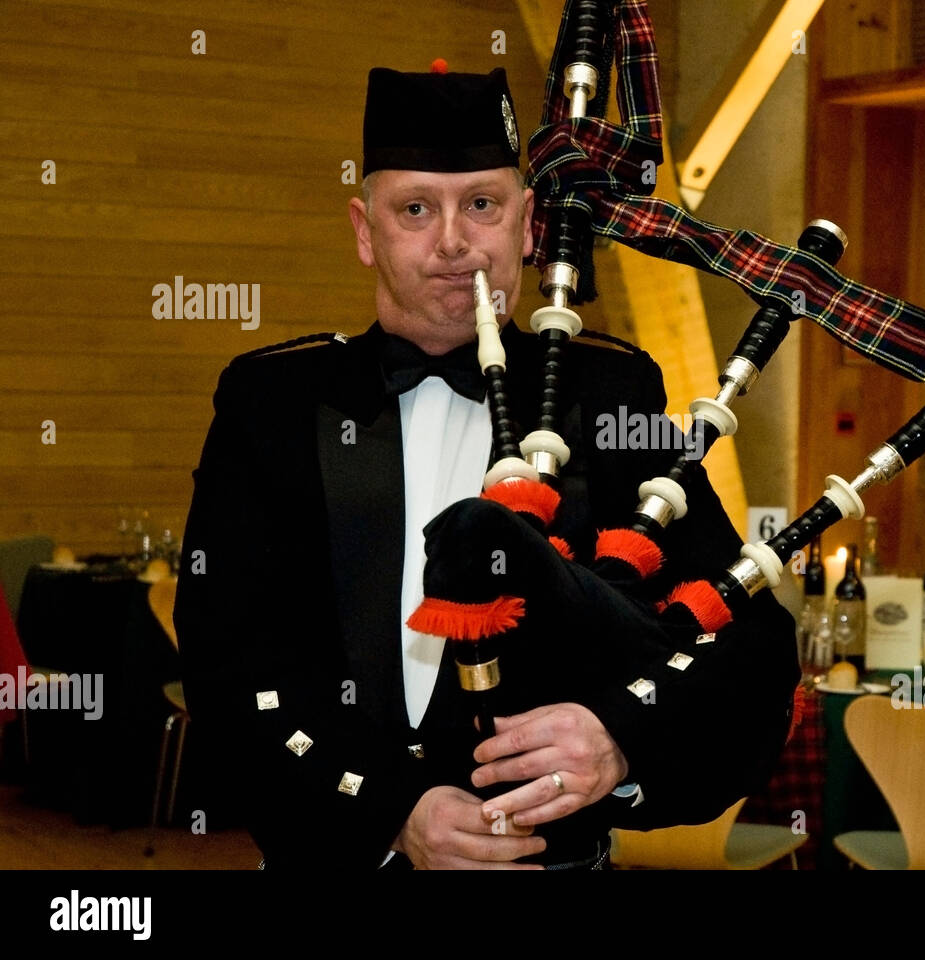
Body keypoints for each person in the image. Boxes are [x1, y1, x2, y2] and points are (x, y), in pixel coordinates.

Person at [174, 65, 798, 870]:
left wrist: (618, 736)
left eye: (481, 204)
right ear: (365, 231)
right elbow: (226, 658)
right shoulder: (273, 403)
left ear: (528, 223)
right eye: (414, 209)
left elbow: (741, 632)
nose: (452, 242)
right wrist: (391, 809)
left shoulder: (610, 392)